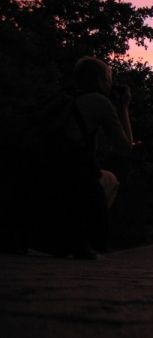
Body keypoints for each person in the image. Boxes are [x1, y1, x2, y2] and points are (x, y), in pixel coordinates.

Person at [34, 56, 133, 259]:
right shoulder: (99, 102)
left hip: (45, 168)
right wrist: (124, 107)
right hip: (75, 173)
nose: (110, 84)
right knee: (110, 180)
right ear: (98, 81)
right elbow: (125, 146)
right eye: (108, 79)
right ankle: (83, 239)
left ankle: (62, 238)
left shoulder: (64, 98)